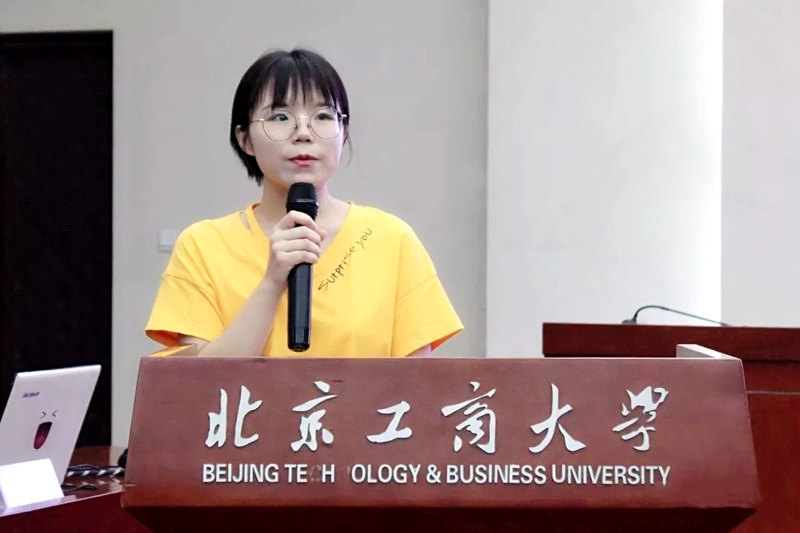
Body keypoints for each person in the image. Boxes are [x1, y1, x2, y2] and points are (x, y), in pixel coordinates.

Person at [144, 48, 463, 358]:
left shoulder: (391, 240)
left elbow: (416, 385)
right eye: (280, 116)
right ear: (245, 139)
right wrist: (272, 283)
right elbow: (197, 384)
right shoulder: (202, 246)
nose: (303, 133)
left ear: (343, 132)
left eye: (322, 116)